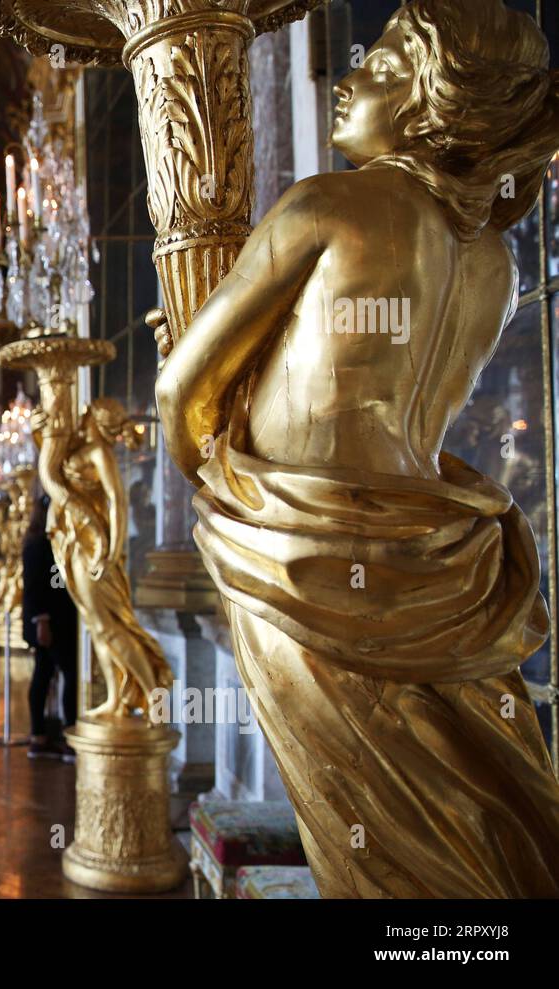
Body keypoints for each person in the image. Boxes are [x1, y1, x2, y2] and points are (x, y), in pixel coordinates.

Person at [154, 0, 559, 895]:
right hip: (441, 560)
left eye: (378, 65)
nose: (350, 79)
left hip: (299, 560)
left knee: (363, 835)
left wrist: (233, 496)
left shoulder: (330, 205)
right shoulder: (497, 261)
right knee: (466, 817)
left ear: (431, 98)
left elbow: (181, 390)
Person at [21, 490, 78, 762]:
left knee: (45, 673)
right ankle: (64, 734)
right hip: (50, 620)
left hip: (60, 618)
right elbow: (34, 588)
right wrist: (42, 621)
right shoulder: (38, 544)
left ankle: (42, 736)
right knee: (66, 672)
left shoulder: (55, 540)